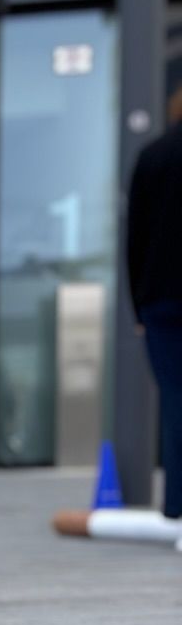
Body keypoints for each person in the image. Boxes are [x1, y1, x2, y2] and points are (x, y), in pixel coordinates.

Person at [127, 117, 182, 518]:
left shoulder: (153, 155)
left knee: (176, 402)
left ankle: (178, 506)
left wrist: (138, 306)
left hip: (160, 301)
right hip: (161, 300)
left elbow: (136, 237)